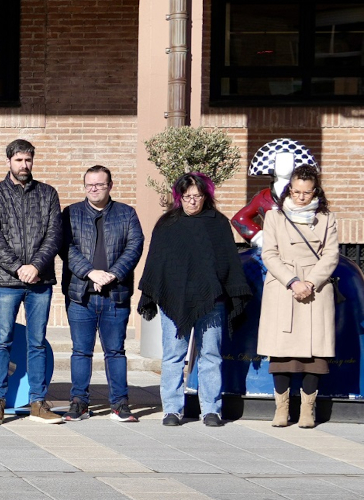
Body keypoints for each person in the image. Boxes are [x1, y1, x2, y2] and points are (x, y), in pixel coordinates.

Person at [139, 173, 252, 428]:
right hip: (174, 301)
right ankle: (171, 409)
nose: (192, 202)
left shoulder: (218, 223)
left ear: (206, 196)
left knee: (211, 355)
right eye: (187, 196)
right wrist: (152, 293)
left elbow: (227, 263)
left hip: (212, 301)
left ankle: (211, 409)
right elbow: (157, 263)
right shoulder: (168, 223)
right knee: (172, 357)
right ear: (179, 197)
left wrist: (224, 289)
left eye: (197, 196)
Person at [0, 139, 65, 424]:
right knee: (1, 341)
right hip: (6, 282)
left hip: (40, 280)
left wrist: (36, 266)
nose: (24, 165)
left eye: (28, 160)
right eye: (18, 160)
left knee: (37, 342)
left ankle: (37, 402)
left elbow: (55, 235)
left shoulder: (48, 193)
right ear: (8, 162)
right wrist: (18, 268)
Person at [60, 165, 144, 422]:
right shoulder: (71, 213)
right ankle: (79, 403)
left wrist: (113, 274)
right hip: (80, 295)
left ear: (110, 186)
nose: (94, 189)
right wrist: (90, 272)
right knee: (80, 351)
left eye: (99, 184)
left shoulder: (126, 213)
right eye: (89, 185)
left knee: (115, 351)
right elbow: (65, 247)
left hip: (115, 295)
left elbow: (135, 245)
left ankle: (119, 404)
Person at [259, 165, 339, 429]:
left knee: (314, 355)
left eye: (307, 192)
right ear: (288, 190)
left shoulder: (327, 218)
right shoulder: (274, 217)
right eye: (296, 192)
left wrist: (310, 282)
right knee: (282, 353)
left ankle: (307, 410)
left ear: (315, 191)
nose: (301, 197)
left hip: (316, 288)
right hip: (284, 286)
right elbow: (269, 254)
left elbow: (331, 255)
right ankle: (281, 409)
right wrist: (293, 282)